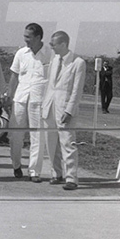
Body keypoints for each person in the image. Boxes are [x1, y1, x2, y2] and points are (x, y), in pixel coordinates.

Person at [7, 22, 53, 182]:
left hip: (38, 99)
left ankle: (34, 171)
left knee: (37, 136)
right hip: (20, 98)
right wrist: (9, 95)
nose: (26, 39)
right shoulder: (21, 53)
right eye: (25, 36)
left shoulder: (50, 54)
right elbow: (14, 76)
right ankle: (16, 165)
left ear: (39, 37)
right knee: (15, 135)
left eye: (29, 37)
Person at [42, 31, 86, 190]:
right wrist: (44, 105)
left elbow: (77, 91)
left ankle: (71, 178)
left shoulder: (78, 63)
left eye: (53, 44)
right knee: (51, 142)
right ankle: (56, 173)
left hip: (65, 109)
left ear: (63, 44)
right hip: (50, 107)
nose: (51, 47)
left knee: (67, 142)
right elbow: (49, 86)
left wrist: (69, 110)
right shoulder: (54, 61)